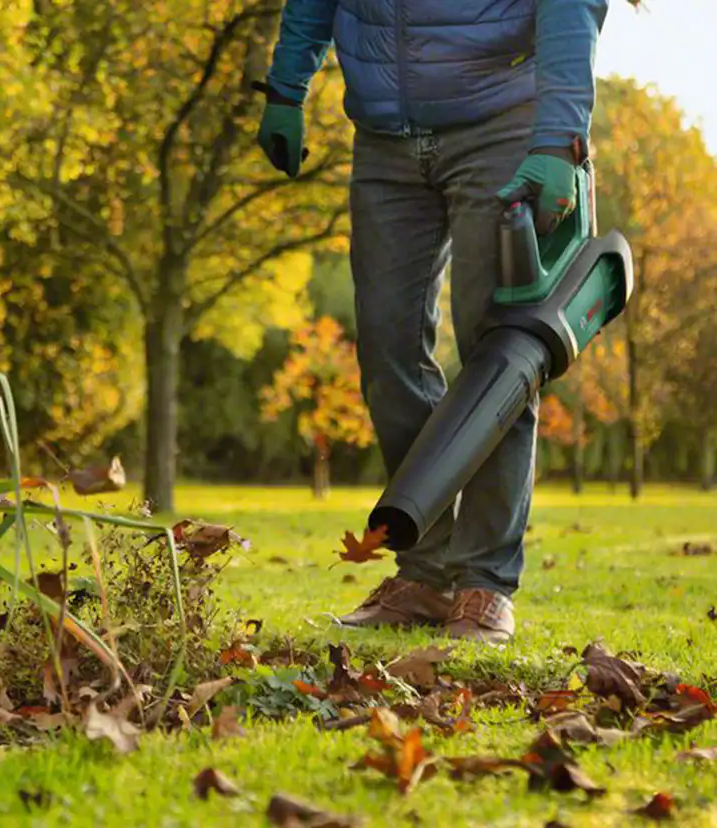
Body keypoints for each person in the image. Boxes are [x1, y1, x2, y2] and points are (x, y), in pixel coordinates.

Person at [256, 0, 609, 642]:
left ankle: (484, 583)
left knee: (499, 357)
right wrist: (286, 86)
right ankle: (426, 572)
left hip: (502, 126)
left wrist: (560, 138)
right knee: (387, 354)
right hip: (385, 140)